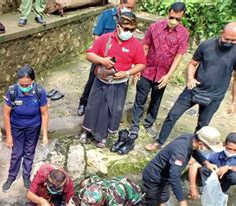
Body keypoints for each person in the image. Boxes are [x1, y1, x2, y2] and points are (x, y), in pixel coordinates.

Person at [146, 22, 236, 152]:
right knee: (172, 115)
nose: (229, 42)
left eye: (233, 40)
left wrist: (234, 102)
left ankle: (193, 152)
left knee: (202, 126)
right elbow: (192, 64)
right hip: (193, 90)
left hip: (214, 96)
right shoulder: (206, 45)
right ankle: (159, 142)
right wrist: (190, 78)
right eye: (227, 39)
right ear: (222, 33)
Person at [80, 12, 146, 148]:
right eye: (126, 29)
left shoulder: (136, 45)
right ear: (118, 26)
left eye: (132, 30)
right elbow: (89, 54)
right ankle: (87, 131)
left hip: (119, 84)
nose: (128, 32)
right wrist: (101, 60)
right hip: (101, 80)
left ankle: (102, 136)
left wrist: (127, 73)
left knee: (110, 110)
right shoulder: (105, 39)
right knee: (93, 106)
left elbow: (141, 64)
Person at [129, 2, 189, 142]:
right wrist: (138, 67)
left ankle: (149, 123)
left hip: (163, 74)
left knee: (156, 100)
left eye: (177, 19)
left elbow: (179, 56)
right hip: (147, 69)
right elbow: (145, 46)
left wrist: (168, 76)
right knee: (140, 98)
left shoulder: (183, 34)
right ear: (168, 13)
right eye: (172, 17)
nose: (173, 21)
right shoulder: (154, 27)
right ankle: (135, 125)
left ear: (182, 17)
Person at [141, 126, 221, 206]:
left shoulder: (191, 139)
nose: (208, 150)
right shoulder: (180, 151)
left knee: (163, 199)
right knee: (151, 205)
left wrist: (206, 163)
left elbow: (195, 151)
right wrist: (183, 203)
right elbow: (174, 176)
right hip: (154, 177)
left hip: (165, 177)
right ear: (201, 144)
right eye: (208, 147)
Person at [76, 0, 136, 116]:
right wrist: (102, 57)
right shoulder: (107, 15)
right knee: (92, 80)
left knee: (112, 84)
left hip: (119, 59)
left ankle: (102, 108)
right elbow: (97, 35)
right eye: (128, 7)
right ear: (121, 3)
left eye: (131, 8)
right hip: (101, 57)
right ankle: (83, 102)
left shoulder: (130, 19)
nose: (129, 9)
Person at [2, 65, 49, 192]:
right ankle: (11, 177)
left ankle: (26, 176)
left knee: (29, 152)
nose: (24, 87)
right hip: (16, 126)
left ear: (32, 81)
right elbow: (6, 114)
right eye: (21, 84)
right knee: (17, 153)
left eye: (26, 84)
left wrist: (44, 134)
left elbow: (44, 113)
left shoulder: (39, 92)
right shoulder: (12, 91)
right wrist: (9, 136)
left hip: (33, 127)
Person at [189, 132, 236, 198]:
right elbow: (194, 165)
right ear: (224, 144)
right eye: (229, 148)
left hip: (227, 178)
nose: (232, 152)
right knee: (204, 168)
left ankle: (220, 193)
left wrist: (228, 167)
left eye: (235, 150)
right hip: (212, 175)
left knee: (234, 177)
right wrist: (193, 188)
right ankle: (204, 190)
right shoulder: (215, 154)